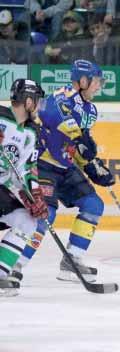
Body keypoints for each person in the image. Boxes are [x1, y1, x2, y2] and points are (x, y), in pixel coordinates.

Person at [11, 60, 115, 289]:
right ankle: (15, 265)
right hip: (44, 165)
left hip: (65, 168)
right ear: (84, 81)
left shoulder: (91, 110)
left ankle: (72, 260)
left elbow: (78, 148)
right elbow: (55, 116)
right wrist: (78, 137)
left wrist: (92, 165)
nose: (99, 87)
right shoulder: (61, 96)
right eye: (97, 82)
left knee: (94, 204)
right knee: (44, 214)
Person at [0, 79, 47, 296]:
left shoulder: (31, 132)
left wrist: (33, 196)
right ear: (28, 101)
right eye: (36, 101)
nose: (38, 106)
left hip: (2, 189)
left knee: (28, 221)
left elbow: (26, 169)